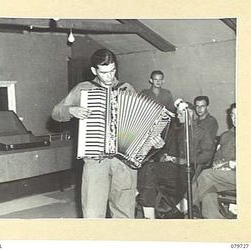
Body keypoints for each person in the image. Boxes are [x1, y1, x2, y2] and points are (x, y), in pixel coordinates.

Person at [52, 49, 164, 218]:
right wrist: (71, 110)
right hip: (96, 161)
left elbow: (141, 124)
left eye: (112, 71)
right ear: (94, 71)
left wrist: (153, 139)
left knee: (124, 213)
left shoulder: (127, 89)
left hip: (124, 162)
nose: (109, 77)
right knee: (93, 212)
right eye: (104, 73)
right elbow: (56, 112)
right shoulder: (84, 89)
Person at [137, 102, 214, 219]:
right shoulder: (175, 131)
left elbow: (207, 155)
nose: (177, 116)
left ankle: (141, 199)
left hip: (186, 173)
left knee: (149, 169)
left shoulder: (202, 133)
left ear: (189, 114)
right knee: (147, 168)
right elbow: (163, 151)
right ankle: (148, 213)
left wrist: (183, 160)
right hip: (170, 170)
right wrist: (162, 154)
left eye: (180, 114)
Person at [185, 103, 236, 219]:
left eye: (238, 115)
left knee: (206, 175)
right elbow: (216, 158)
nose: (235, 119)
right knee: (208, 189)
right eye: (233, 115)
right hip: (224, 175)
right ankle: (215, 221)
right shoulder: (226, 136)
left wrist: (235, 164)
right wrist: (219, 165)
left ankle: (183, 205)